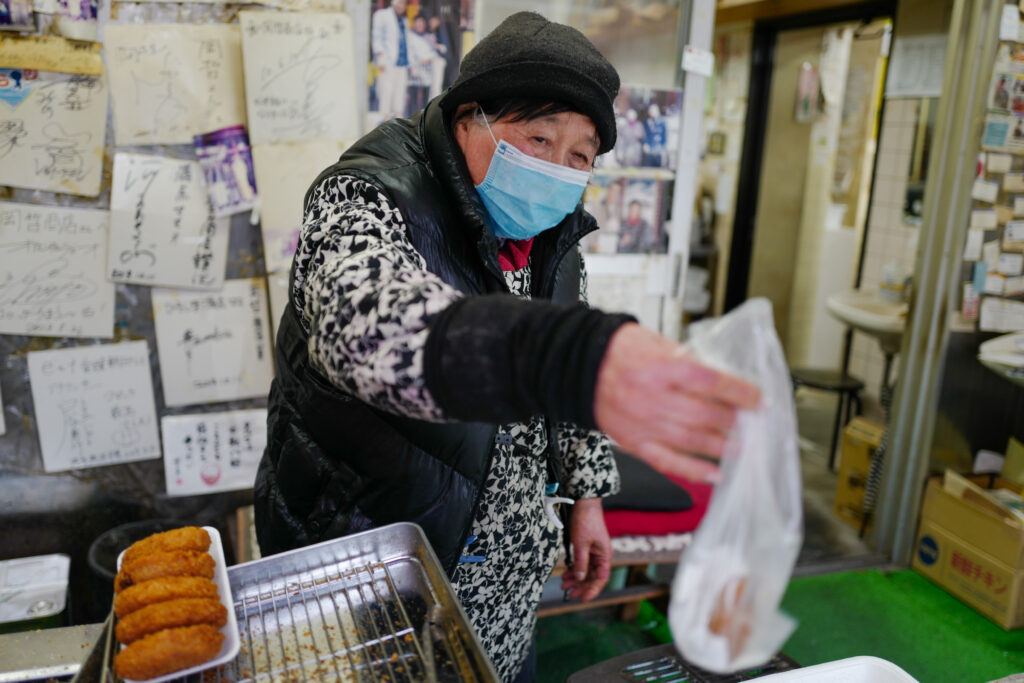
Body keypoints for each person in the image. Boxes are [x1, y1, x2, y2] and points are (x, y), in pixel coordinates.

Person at [255, 12, 759, 682]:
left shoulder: (554, 238)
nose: (556, 169)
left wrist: (587, 495)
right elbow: (365, 328)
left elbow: (566, 372)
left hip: (503, 596)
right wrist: (572, 356)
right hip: (374, 580)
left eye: (579, 155)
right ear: (469, 118)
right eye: (538, 137)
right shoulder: (368, 192)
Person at [371, 0, 411, 119]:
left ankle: (398, 117)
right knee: (386, 90)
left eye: (403, 3)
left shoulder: (404, 20)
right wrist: (380, 57)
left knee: (400, 91)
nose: (400, 4)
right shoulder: (382, 15)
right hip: (388, 60)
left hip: (403, 61)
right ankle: (385, 117)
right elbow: (377, 37)